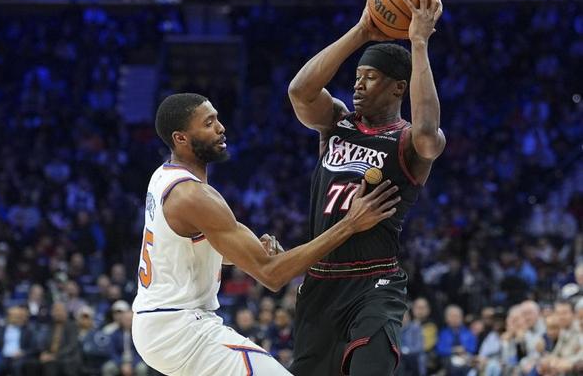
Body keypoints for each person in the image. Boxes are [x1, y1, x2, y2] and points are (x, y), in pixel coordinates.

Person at [131, 93, 400, 376]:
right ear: (180, 138)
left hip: (158, 325)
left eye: (217, 119)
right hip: (178, 329)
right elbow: (272, 275)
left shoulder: (163, 176)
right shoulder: (192, 195)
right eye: (208, 123)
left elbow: (194, 250)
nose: (221, 128)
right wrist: (349, 224)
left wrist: (245, 255)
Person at [286, 0, 444, 375]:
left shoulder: (408, 141)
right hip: (320, 282)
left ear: (398, 87)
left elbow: (428, 130)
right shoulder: (336, 123)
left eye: (370, 77)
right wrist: (361, 31)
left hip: (375, 282)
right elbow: (300, 92)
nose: (357, 84)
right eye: (357, 76)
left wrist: (419, 42)